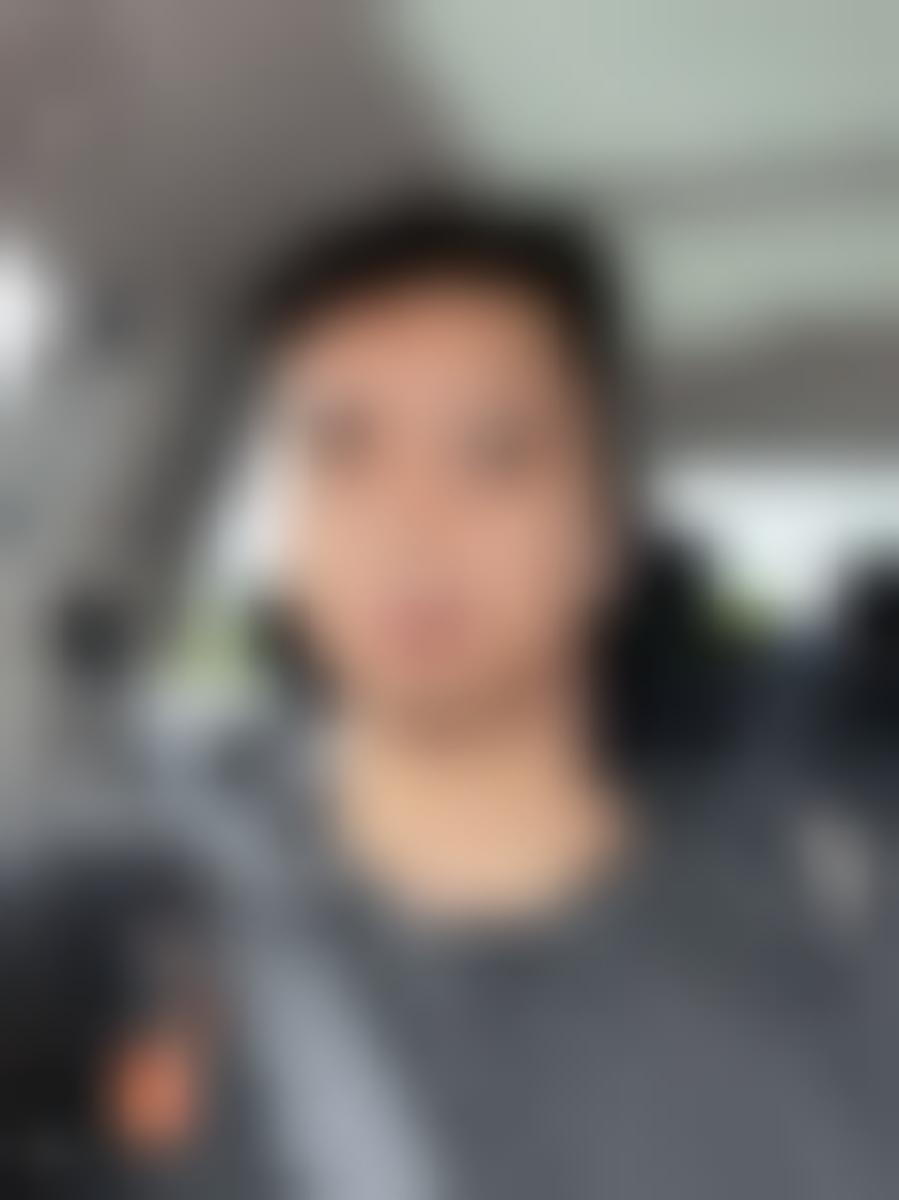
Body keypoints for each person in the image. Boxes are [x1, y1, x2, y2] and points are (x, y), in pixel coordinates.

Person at [180, 198, 879, 1200]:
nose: (410, 523)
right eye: (341, 453)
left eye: (492, 452)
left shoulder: (820, 981)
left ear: (603, 535)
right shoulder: (119, 949)